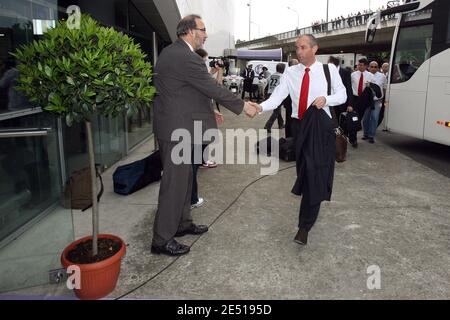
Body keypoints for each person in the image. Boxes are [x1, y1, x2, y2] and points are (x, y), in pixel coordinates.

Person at [151, 14, 259, 256]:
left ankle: (181, 224)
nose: (206, 34)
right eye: (202, 29)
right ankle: (161, 239)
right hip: (177, 130)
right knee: (174, 184)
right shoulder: (184, 57)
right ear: (189, 31)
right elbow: (210, 86)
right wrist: (243, 106)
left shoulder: (175, 53)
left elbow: (191, 92)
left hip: (183, 127)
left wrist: (210, 111)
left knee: (186, 179)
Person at [254, 35, 346, 245]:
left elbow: (342, 95)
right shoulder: (291, 72)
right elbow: (277, 97)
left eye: (303, 47)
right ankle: (309, 203)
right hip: (297, 128)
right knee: (304, 172)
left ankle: (304, 226)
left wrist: (327, 99)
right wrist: (260, 107)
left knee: (315, 175)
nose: (299, 51)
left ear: (315, 49)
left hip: (320, 127)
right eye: (297, 48)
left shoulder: (328, 70)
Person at [328, 56, 354, 138]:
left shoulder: (345, 72)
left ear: (334, 64)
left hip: (342, 102)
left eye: (329, 63)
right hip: (331, 102)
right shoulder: (327, 71)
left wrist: (350, 104)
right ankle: (334, 138)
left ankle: (344, 139)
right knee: (332, 122)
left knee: (343, 122)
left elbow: (349, 89)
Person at [349, 58, 373, 147]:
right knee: (353, 119)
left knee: (358, 119)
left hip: (363, 100)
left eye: (361, 65)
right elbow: (349, 88)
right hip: (354, 99)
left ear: (366, 66)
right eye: (358, 65)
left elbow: (372, 90)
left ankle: (353, 136)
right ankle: (353, 139)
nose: (359, 66)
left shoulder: (370, 76)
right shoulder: (353, 75)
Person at [362, 61, 386, 143]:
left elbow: (384, 88)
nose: (373, 68)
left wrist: (384, 99)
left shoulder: (382, 76)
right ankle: (365, 134)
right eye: (371, 66)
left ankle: (371, 135)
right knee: (365, 118)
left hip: (377, 100)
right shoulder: (366, 75)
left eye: (375, 67)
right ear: (368, 67)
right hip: (367, 100)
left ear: (378, 68)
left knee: (374, 117)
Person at [264, 63, 286, 132]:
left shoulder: (271, 75)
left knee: (277, 110)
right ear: (283, 69)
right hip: (277, 95)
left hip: (270, 94)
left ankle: (281, 124)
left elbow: (265, 83)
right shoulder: (283, 76)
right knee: (276, 112)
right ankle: (268, 125)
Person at [283, 59, 299, 138]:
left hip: (290, 102)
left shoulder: (287, 74)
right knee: (291, 121)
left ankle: (289, 138)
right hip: (291, 101)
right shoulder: (291, 75)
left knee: (289, 121)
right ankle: (291, 139)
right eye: (297, 64)